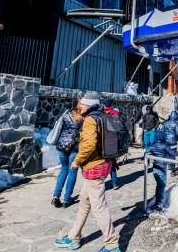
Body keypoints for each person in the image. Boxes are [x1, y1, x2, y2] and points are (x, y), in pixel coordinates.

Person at [54, 94, 120, 252]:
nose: (80, 106)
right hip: (104, 163)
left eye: (82, 104)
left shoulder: (91, 119)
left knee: (99, 207)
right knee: (84, 202)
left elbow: (89, 145)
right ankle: (73, 237)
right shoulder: (103, 115)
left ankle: (112, 245)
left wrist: (77, 161)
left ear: (89, 105)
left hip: (94, 166)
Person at [51, 98, 86, 208]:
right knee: (72, 171)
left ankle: (55, 197)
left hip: (62, 146)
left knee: (63, 169)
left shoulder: (66, 113)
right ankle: (67, 199)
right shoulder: (84, 118)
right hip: (74, 148)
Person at [145, 130, 176, 213]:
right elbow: (172, 153)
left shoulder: (152, 146)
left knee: (159, 185)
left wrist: (147, 161)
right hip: (162, 168)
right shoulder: (165, 145)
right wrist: (177, 153)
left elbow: (146, 154)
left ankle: (158, 201)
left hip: (155, 168)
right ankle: (158, 204)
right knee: (162, 185)